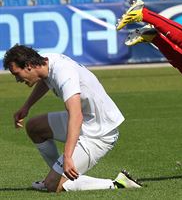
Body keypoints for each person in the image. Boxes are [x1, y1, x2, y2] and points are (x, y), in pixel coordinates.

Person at [3, 45, 142, 192]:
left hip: (99, 133)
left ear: (29, 65)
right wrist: (27, 106)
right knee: (34, 127)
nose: (17, 79)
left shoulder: (64, 72)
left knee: (52, 186)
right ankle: (57, 174)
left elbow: (76, 116)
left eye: (17, 74)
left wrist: (68, 156)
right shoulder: (46, 62)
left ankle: (118, 183)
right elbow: (45, 80)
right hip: (87, 121)